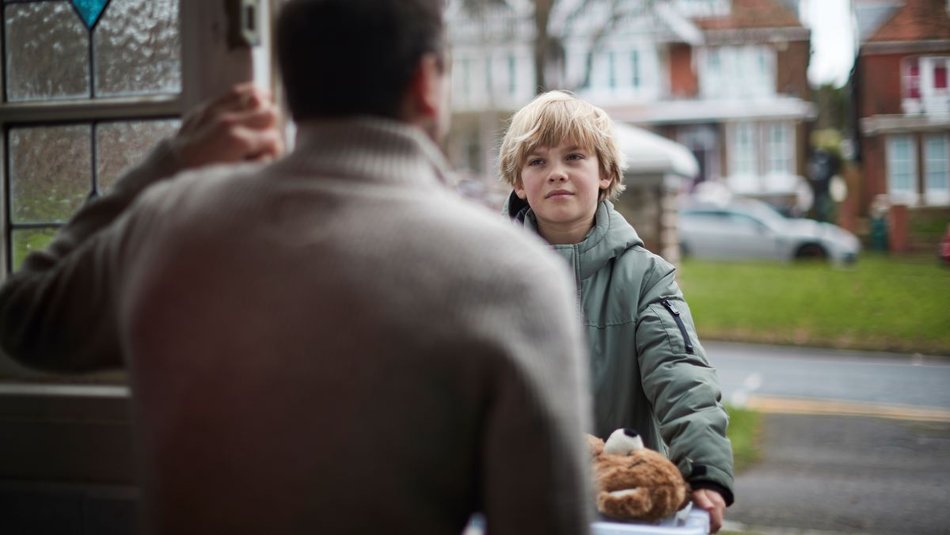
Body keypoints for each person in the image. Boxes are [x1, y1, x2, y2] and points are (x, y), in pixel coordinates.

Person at [0, 1, 593, 534]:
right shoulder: (512, 276)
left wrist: (173, 162)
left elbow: (23, 314)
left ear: (290, 83)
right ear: (426, 84)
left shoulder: (168, 222)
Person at [499, 90, 735, 532]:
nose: (556, 174)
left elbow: (683, 379)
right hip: (516, 501)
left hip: (620, 506)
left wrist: (705, 470)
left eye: (574, 157)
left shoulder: (647, 279)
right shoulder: (489, 276)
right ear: (517, 181)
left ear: (606, 172)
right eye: (537, 161)